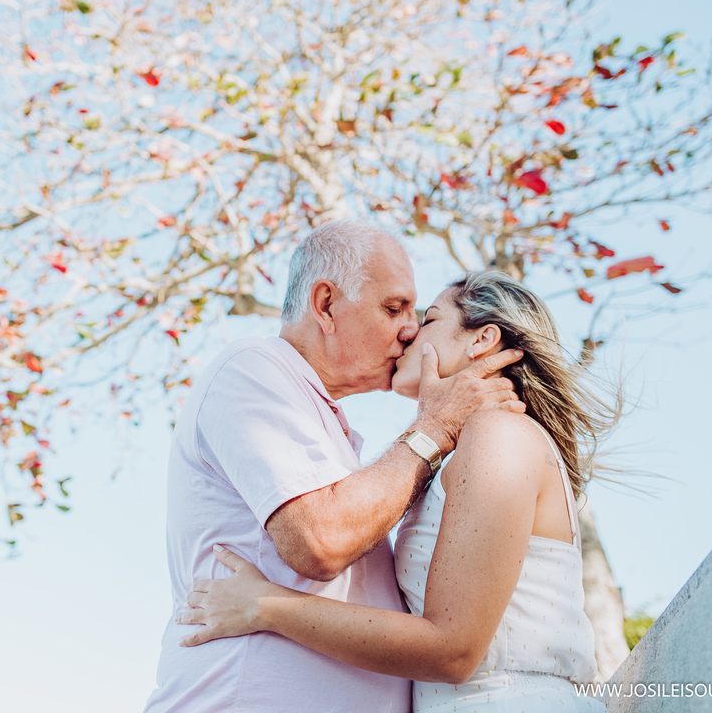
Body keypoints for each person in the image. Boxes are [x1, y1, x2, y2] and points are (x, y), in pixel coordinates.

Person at [176, 271, 618, 712]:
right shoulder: (463, 451)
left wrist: (265, 606)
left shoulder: (499, 434)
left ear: (481, 340)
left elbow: (453, 649)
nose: (408, 332)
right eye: (396, 311)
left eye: (428, 318)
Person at [143, 223, 526, 713]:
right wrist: (435, 428)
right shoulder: (253, 369)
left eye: (416, 314)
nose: (409, 330)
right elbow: (319, 543)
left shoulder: (326, 418)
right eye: (394, 308)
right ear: (325, 305)